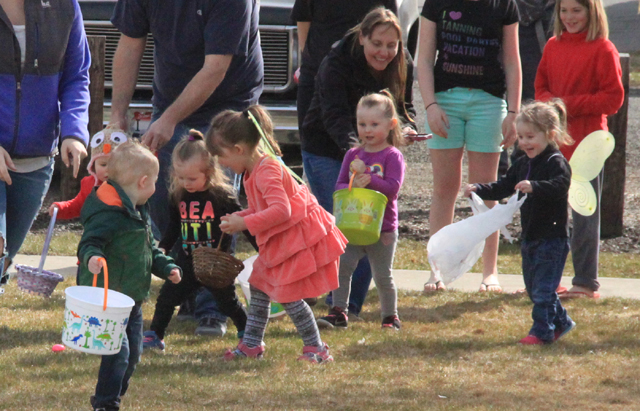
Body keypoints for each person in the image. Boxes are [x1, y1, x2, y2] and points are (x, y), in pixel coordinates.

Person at [108, 0, 263, 335]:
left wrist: (168, 120)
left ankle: (213, 306)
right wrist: (117, 115)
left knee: (213, 207)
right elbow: (130, 44)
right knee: (167, 203)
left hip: (227, 108)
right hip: (171, 97)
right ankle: (188, 287)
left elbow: (215, 67)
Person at [207, 105, 347, 362]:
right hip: (283, 241)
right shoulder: (252, 172)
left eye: (221, 156)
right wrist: (240, 217)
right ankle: (251, 345)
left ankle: (316, 348)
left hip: (296, 240)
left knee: (288, 296)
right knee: (259, 286)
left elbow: (281, 211)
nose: (220, 163)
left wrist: (244, 223)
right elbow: (262, 208)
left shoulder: (267, 170)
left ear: (238, 149)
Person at [301, 7, 416, 318]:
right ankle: (331, 299)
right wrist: (360, 154)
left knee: (369, 226)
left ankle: (346, 307)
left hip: (371, 154)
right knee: (344, 225)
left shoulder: (402, 62)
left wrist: (406, 129)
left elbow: (405, 108)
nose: (384, 52)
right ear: (362, 37)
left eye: (391, 45)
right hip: (326, 148)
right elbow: (334, 117)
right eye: (377, 43)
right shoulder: (336, 63)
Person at [416, 0, 522, 293]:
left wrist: (513, 113)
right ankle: (436, 272)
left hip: (489, 103)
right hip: (444, 102)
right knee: (445, 188)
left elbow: (512, 61)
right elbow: (423, 59)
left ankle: (490, 272)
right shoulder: (436, 3)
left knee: (487, 190)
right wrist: (430, 105)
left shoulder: (505, 5)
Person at [77, 141, 182, 411]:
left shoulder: (138, 209)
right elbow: (89, 243)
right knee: (118, 352)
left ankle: (110, 395)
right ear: (143, 182)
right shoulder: (108, 212)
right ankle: (106, 403)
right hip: (109, 298)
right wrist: (92, 258)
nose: (156, 187)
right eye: (155, 181)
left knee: (133, 354)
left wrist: (167, 267)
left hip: (132, 299)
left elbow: (148, 250)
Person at [465, 99, 576, 344]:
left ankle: (542, 332)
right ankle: (562, 322)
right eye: (521, 137)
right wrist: (479, 189)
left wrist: (535, 186)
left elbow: (560, 186)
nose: (524, 143)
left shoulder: (555, 161)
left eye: (530, 137)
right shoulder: (522, 163)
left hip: (553, 238)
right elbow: (504, 186)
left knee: (544, 290)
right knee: (535, 288)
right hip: (530, 236)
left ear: (550, 134)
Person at [535, 0, 624, 299]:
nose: (569, 17)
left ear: (591, 11)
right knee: (551, 212)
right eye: (564, 10)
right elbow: (540, 87)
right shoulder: (552, 46)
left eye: (577, 10)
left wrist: (565, 105)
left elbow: (613, 98)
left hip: (588, 143)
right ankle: (548, 279)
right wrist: (553, 105)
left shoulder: (603, 48)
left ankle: (585, 282)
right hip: (556, 140)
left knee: (585, 214)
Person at [0, 0, 90, 291]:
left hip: (36, 160)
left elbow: (76, 77)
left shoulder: (65, 7)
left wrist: (73, 132)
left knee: (3, 260)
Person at [142, 130, 250, 351]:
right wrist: (164, 247)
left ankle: (248, 335)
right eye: (181, 178)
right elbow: (174, 226)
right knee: (167, 297)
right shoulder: (179, 195)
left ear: (209, 172)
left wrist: (262, 247)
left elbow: (244, 221)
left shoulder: (222, 196)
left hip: (216, 263)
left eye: (192, 179)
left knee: (227, 302)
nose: (186, 183)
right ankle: (155, 335)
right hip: (188, 261)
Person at [317, 91, 405, 330]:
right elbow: (339, 186)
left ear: (391, 124)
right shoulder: (352, 154)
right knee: (342, 268)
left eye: (374, 124)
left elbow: (393, 189)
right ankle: (339, 311)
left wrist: (370, 177)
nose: (367, 130)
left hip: (382, 227)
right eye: (362, 124)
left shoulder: (392, 156)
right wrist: (352, 184)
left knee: (382, 275)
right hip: (352, 223)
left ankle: (390, 316)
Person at [49, 128, 130, 219]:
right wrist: (61, 208)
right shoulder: (89, 184)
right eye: (103, 165)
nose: (108, 169)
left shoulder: (130, 184)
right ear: (93, 165)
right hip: (96, 226)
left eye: (115, 164)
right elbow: (79, 204)